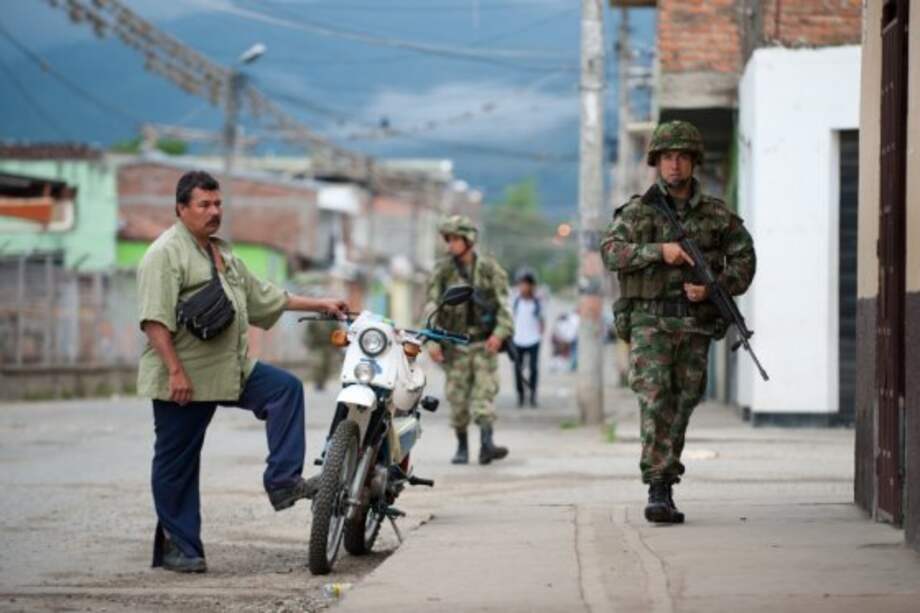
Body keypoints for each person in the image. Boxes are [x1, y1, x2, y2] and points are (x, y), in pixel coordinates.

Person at [137, 170, 348, 573]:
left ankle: (283, 482)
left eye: (218, 204)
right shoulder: (165, 254)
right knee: (177, 462)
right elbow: (154, 321)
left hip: (230, 368)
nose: (214, 212)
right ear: (181, 209)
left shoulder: (221, 253)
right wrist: (175, 372)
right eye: (204, 205)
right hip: (185, 376)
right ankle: (181, 547)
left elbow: (264, 297)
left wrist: (319, 304)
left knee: (284, 390)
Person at [600, 121, 756, 524]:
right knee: (655, 401)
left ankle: (666, 479)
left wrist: (714, 288)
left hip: (694, 325)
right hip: (649, 323)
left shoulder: (716, 215)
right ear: (656, 162)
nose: (674, 165)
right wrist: (659, 251)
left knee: (683, 404)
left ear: (693, 162)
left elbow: (745, 258)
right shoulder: (639, 211)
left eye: (682, 157)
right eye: (667, 157)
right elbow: (612, 252)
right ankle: (658, 485)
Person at [426, 215, 513, 466]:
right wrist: (431, 342)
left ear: (468, 239)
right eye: (447, 239)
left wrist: (499, 333)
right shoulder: (442, 271)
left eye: (453, 239)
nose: (449, 245)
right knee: (457, 399)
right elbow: (431, 305)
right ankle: (462, 446)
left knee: (484, 395)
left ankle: (486, 444)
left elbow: (504, 305)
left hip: (484, 344)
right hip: (455, 346)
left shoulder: (489, 269)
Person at [511, 268, 544, 407]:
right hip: (517, 340)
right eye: (521, 284)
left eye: (525, 284)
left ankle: (533, 395)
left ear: (531, 285)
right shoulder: (515, 301)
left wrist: (540, 334)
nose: (523, 287)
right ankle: (520, 395)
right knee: (518, 370)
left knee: (533, 369)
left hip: (533, 340)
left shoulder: (537, 302)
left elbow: (543, 320)